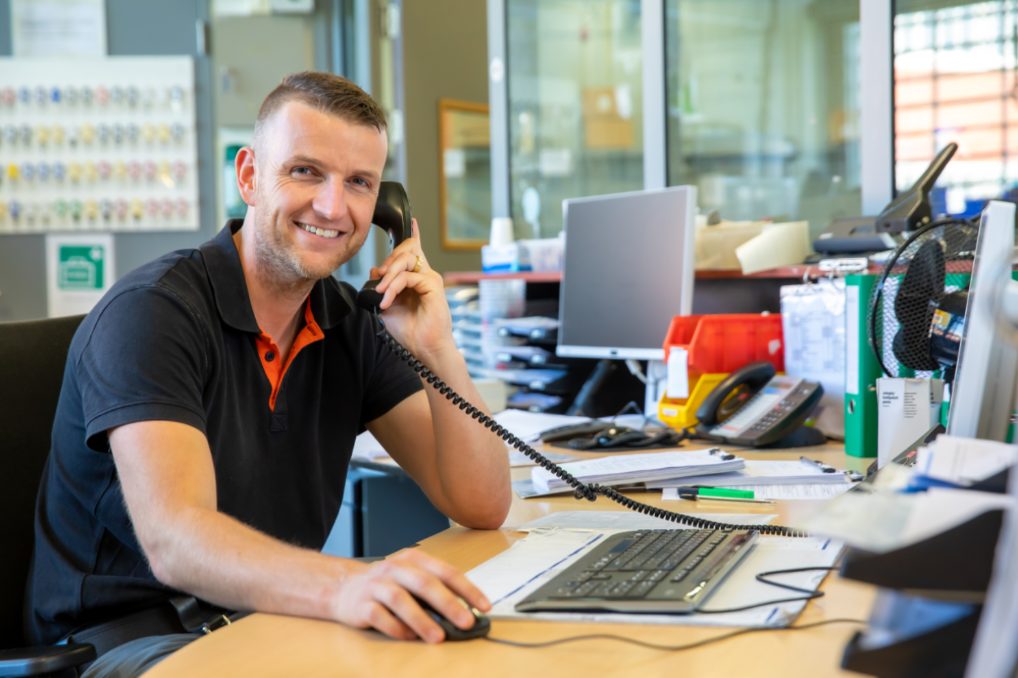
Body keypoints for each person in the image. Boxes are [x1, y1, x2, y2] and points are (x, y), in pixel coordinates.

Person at [26, 71, 511, 677]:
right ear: (250, 176)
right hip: (127, 643)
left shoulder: (350, 322)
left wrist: (438, 348)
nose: (333, 207)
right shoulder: (152, 312)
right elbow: (176, 539)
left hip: (264, 622)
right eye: (306, 171)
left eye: (358, 182)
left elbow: (481, 502)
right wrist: (347, 585)